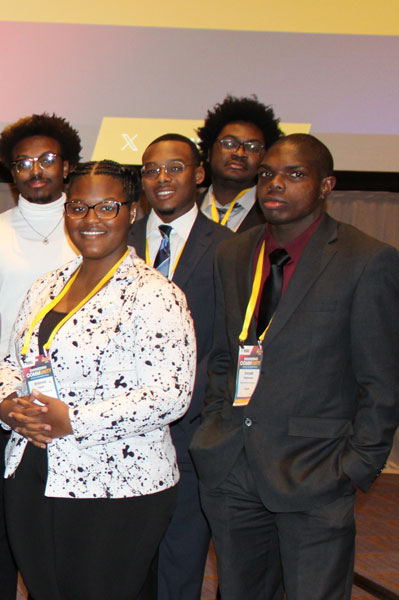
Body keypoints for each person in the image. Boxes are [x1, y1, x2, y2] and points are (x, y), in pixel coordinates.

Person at [190, 134, 399, 600]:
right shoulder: (234, 254)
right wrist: (215, 427)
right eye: (267, 174)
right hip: (232, 465)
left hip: (317, 471)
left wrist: (355, 466)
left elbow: (382, 380)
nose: (275, 184)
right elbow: (227, 356)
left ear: (326, 185)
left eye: (294, 174)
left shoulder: (365, 259)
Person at [0, 160, 194, 600]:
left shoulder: (156, 293)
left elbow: (171, 394)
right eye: (79, 207)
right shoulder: (48, 286)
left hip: (117, 484)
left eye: (106, 207)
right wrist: (7, 405)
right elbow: (13, 359)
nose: (90, 220)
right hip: (35, 469)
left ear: (132, 212)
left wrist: (74, 419)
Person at [0, 112, 82, 599]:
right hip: (2, 407)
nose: (36, 169)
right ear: (11, 173)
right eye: (23, 162)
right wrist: (2, 402)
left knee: (66, 528)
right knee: (0, 526)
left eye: (47, 159)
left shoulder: (96, 230)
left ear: (67, 165)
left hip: (79, 409)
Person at [129, 134, 230, 600]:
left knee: (180, 564)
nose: (162, 179)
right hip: (119, 436)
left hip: (191, 434)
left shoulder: (233, 248)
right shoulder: (113, 241)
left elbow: (232, 342)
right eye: (151, 170)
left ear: (199, 174)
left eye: (174, 168)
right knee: (123, 566)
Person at [196, 95, 283, 232]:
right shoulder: (185, 209)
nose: (240, 153)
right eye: (229, 143)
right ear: (209, 152)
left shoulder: (277, 214)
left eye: (253, 147)